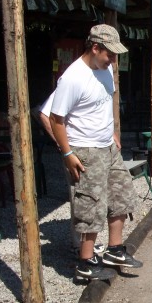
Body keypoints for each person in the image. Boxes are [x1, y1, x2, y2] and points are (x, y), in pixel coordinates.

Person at [49, 24, 142, 281]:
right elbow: (56, 119)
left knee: (122, 194)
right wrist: (68, 154)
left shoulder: (107, 69)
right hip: (85, 149)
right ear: (95, 47)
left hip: (107, 145)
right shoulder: (73, 78)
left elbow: (107, 100)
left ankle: (114, 250)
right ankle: (86, 262)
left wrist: (111, 130)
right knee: (90, 204)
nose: (114, 59)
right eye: (109, 54)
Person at [33, 93, 104, 257]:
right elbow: (44, 114)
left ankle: (82, 244)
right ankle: (78, 246)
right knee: (80, 197)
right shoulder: (72, 81)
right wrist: (64, 147)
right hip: (77, 152)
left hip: (91, 150)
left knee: (88, 198)